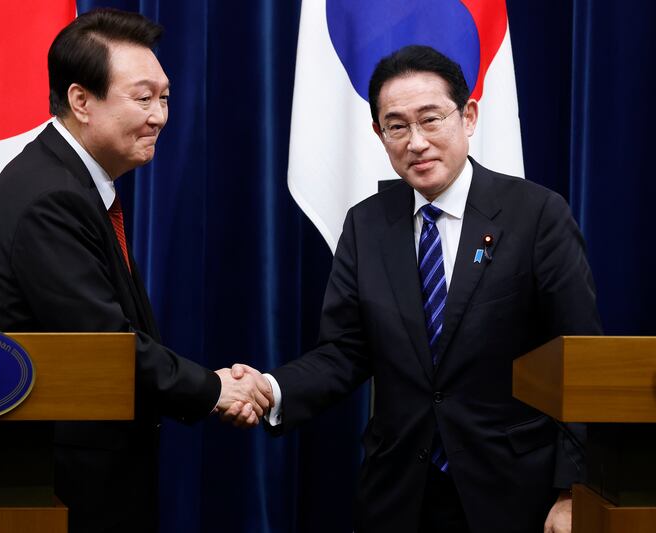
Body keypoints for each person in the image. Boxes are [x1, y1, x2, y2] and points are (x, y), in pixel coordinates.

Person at [223, 45, 601, 533]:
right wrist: (269, 389)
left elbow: (579, 358)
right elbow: (344, 352)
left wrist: (572, 491)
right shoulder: (366, 225)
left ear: (468, 116)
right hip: (399, 494)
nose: (416, 142)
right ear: (379, 134)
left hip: (513, 491)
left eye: (431, 119)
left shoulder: (537, 215)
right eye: (397, 126)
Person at [0, 9, 270, 533]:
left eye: (165, 98)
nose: (159, 117)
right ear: (81, 101)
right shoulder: (51, 197)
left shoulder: (68, 181)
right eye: (143, 98)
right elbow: (102, 345)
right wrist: (213, 389)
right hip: (60, 484)